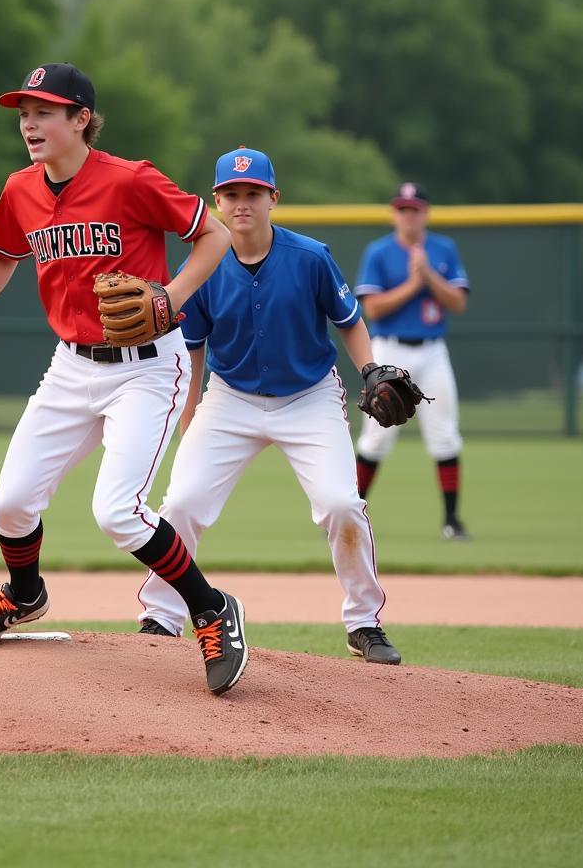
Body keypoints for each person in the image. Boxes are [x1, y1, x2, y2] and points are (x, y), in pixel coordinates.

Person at [0, 63, 248, 695]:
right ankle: (25, 595)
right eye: (24, 113)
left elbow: (213, 235)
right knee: (10, 503)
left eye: (45, 111)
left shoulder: (130, 179)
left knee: (117, 512)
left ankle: (210, 609)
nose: (30, 123)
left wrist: (169, 296)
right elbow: (2, 254)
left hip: (145, 369)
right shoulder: (21, 189)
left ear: (81, 118)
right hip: (70, 366)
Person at [136, 146, 404, 665]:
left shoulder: (310, 257)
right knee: (183, 502)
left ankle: (364, 623)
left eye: (253, 193)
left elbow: (348, 321)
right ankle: (162, 615)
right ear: (216, 201)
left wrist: (369, 370)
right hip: (230, 399)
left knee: (342, 505)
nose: (242, 203)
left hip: (309, 398)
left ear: (273, 198)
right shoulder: (204, 268)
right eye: (232, 194)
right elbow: (193, 352)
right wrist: (189, 420)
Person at [354, 182, 470, 540]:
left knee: (445, 436)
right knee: (375, 438)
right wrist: (414, 282)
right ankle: (352, 515)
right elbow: (372, 308)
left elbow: (458, 303)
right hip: (389, 351)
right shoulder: (379, 252)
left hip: (433, 351)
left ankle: (451, 520)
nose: (408, 215)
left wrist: (429, 276)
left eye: (414, 209)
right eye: (402, 209)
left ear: (425, 213)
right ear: (395, 213)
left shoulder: (443, 248)